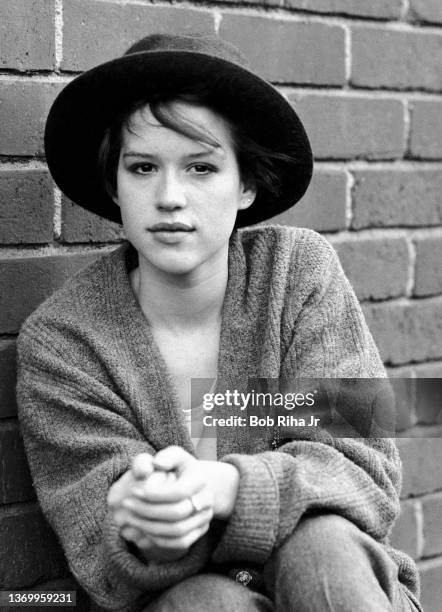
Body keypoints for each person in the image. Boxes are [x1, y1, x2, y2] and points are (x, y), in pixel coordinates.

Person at [16, 34, 422, 612]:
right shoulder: (65, 343)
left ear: (247, 185)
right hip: (183, 601)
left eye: (202, 167)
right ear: (114, 184)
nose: (170, 197)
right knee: (205, 602)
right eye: (143, 167)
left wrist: (225, 488)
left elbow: (364, 467)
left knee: (320, 545)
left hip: (334, 581)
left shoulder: (295, 273)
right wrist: (145, 526)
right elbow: (101, 551)